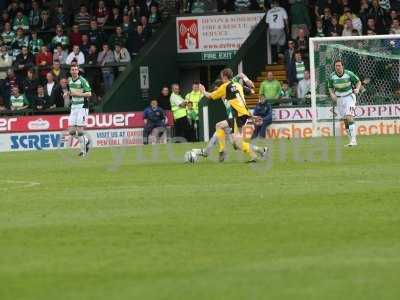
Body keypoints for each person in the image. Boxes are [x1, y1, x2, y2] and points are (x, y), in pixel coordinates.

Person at [197, 68, 268, 163]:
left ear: (225, 77)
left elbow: (210, 96)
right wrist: (247, 81)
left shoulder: (225, 87)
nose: (222, 79)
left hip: (238, 116)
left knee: (236, 143)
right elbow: (249, 92)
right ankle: (259, 151)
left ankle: (224, 151)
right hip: (243, 115)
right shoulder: (237, 84)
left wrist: (203, 91)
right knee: (232, 139)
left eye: (222, 77)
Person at [328, 59, 361, 147]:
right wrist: (332, 94)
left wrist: (357, 89)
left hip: (349, 97)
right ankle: (350, 140)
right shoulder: (332, 76)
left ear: (343, 66)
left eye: (339, 65)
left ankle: (354, 141)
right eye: (336, 66)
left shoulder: (349, 74)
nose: (338, 67)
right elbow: (330, 87)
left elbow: (358, 82)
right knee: (345, 120)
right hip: (339, 99)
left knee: (349, 116)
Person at [66, 65, 92, 156]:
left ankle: (83, 151)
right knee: (71, 131)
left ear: (78, 71)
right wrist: (67, 94)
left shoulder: (82, 80)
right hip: (74, 107)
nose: (74, 71)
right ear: (70, 71)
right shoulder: (69, 81)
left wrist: (76, 94)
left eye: (75, 69)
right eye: (72, 70)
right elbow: (71, 93)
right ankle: (87, 141)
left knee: (80, 131)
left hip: (82, 106)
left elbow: (89, 93)